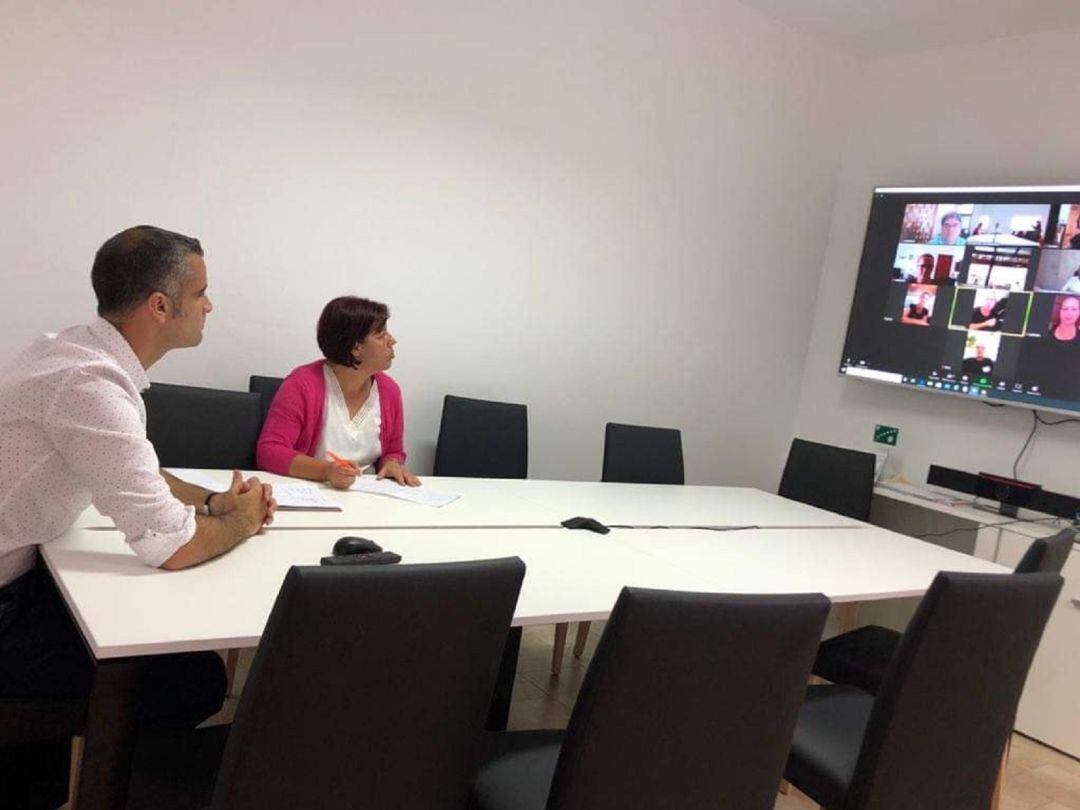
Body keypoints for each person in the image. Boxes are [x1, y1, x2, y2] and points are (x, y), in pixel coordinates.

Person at [0, 227, 276, 793]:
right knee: (193, 679)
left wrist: (214, 501)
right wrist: (244, 520)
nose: (209, 305)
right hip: (5, 606)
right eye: (200, 292)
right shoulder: (89, 383)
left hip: (23, 575)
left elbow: (136, 469)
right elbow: (170, 547)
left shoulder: (74, 351)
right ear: (160, 305)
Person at [257, 296, 420, 489]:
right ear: (356, 347)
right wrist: (326, 471)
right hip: (312, 495)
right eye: (380, 334)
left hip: (368, 499)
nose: (392, 340)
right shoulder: (301, 384)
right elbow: (269, 451)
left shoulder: (390, 391)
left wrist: (391, 464)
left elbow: (393, 451)